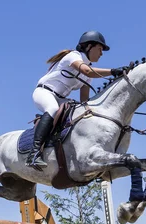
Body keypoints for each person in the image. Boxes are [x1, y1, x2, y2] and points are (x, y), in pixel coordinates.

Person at [25, 31, 125, 169]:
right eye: (100, 49)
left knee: (79, 112)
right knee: (52, 109)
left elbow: (84, 100)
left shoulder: (88, 72)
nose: (101, 53)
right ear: (89, 46)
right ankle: (34, 154)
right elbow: (88, 71)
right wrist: (113, 71)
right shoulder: (73, 56)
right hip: (44, 92)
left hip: (61, 98)